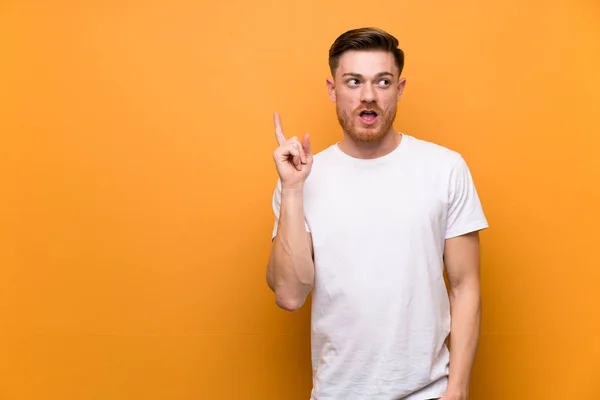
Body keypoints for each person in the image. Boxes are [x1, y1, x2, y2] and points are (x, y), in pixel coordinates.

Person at [266, 27, 489, 400]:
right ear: (332, 88)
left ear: (399, 89)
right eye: (353, 82)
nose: (368, 96)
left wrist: (458, 389)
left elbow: (465, 286)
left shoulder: (445, 168)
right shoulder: (302, 180)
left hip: (429, 392)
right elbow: (289, 294)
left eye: (382, 82)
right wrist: (291, 189)